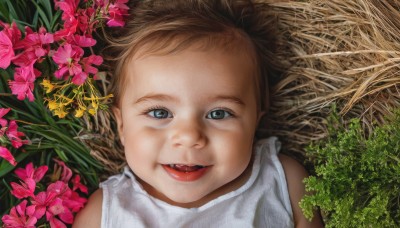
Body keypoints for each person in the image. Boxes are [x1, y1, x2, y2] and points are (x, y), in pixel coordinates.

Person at [73, 0, 324, 227]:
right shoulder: (103, 215)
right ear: (122, 125)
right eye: (160, 113)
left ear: (255, 120)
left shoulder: (282, 184)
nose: (189, 136)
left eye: (218, 114)